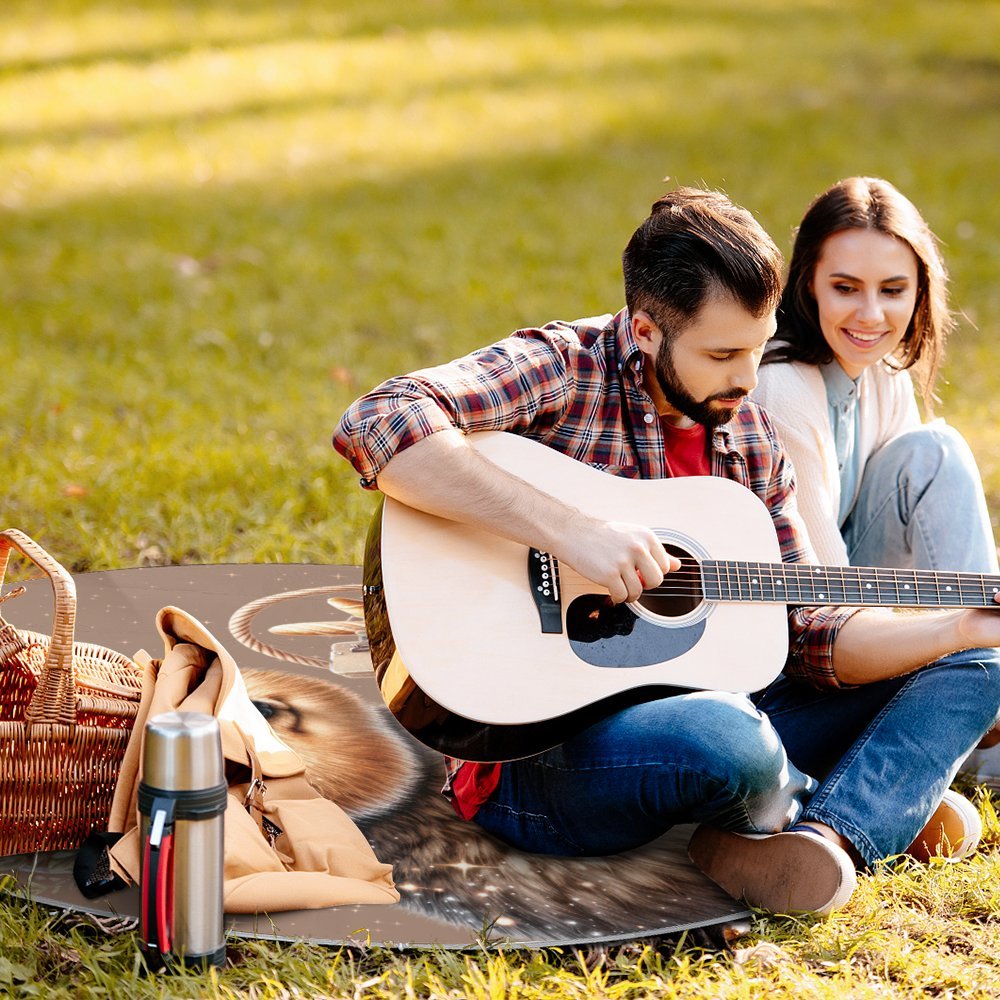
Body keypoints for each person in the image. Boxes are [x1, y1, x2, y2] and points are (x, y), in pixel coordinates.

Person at [333, 188, 1000, 916]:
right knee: (728, 741)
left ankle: (831, 836)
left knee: (981, 664)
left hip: (726, 708)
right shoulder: (564, 367)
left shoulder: (747, 435)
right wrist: (568, 530)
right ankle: (863, 796)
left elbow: (810, 629)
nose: (748, 380)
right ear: (646, 331)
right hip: (539, 756)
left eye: (757, 346)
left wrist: (956, 628)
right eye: (722, 354)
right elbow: (380, 419)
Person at [753, 176, 1000, 790]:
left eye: (893, 290)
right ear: (807, 281)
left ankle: (979, 694)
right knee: (937, 451)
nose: (871, 315)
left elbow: (921, 536)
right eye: (845, 288)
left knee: (931, 451)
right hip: (795, 646)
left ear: (920, 291)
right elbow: (824, 602)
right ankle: (976, 715)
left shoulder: (882, 370)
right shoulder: (783, 385)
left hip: (859, 608)